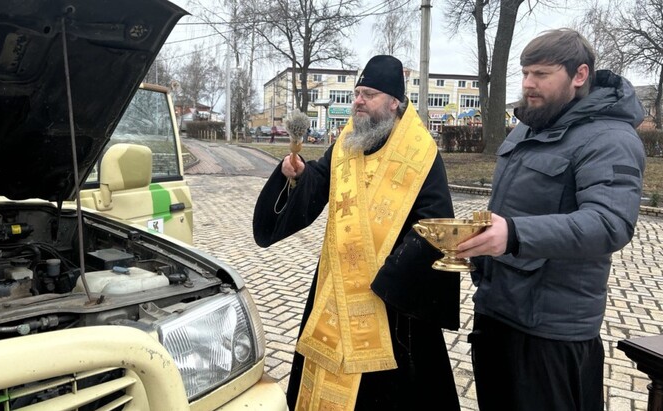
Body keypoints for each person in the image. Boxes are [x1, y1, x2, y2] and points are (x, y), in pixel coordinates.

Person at [253, 55, 460, 410]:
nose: (359, 101)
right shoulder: (350, 139)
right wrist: (298, 174)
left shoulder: (421, 152)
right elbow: (320, 177)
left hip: (390, 300)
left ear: (394, 102)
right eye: (357, 93)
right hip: (335, 284)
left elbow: (436, 223)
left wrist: (387, 276)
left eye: (370, 94)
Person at [456, 28, 646, 411]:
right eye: (526, 73)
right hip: (499, 313)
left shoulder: (609, 137)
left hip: (550, 332)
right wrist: (480, 244)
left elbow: (610, 223)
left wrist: (513, 234)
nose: (529, 84)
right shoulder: (530, 126)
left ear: (579, 75)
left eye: (541, 74)